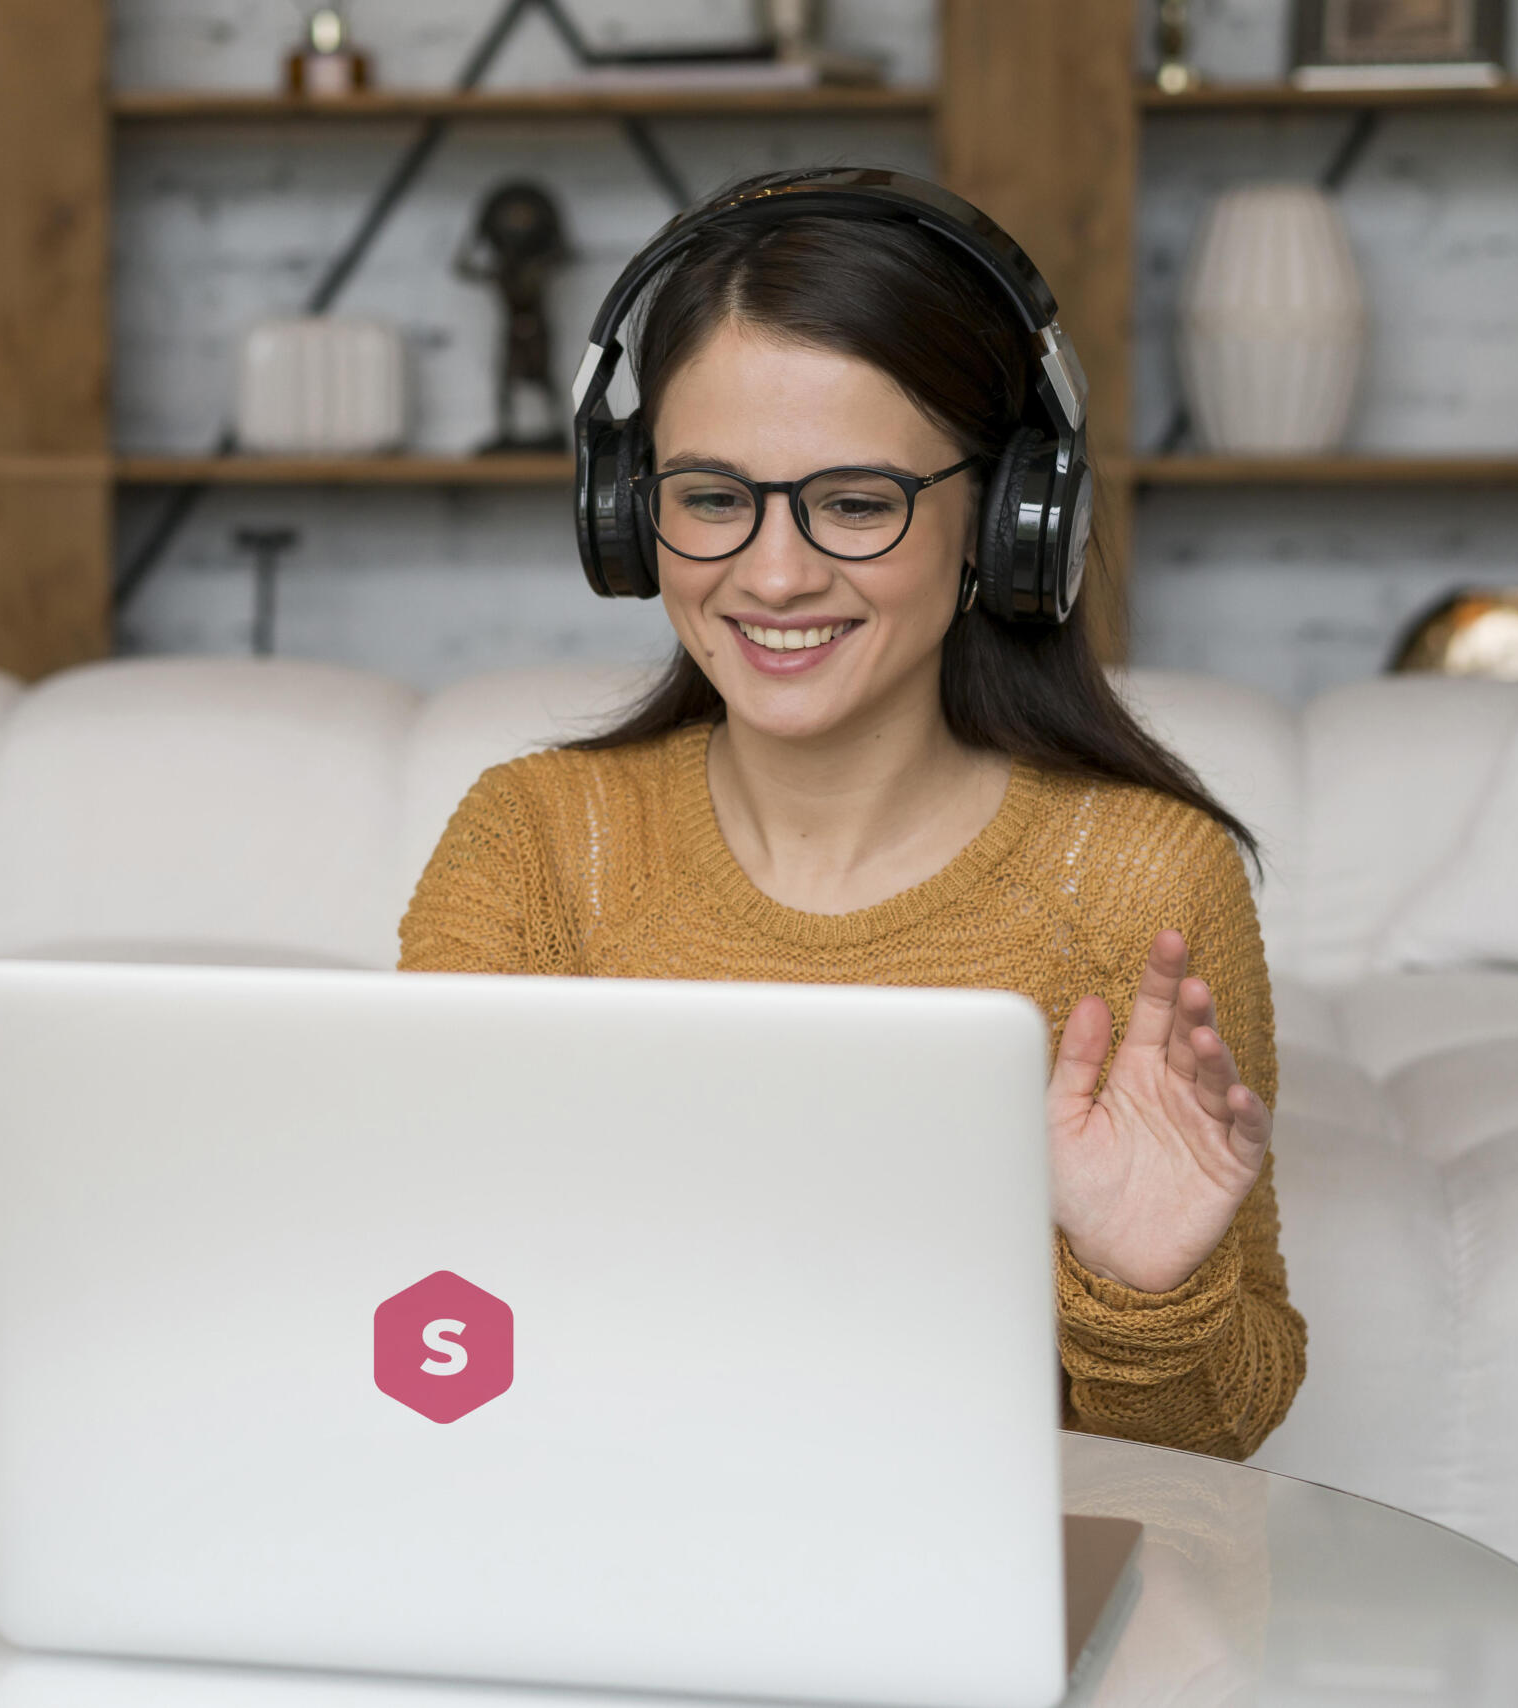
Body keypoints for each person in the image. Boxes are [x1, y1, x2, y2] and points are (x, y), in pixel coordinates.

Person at [399, 169, 1303, 1460]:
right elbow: (418, 1331)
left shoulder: (1142, 880)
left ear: (1006, 520)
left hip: (972, 1622)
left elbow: (1214, 1452)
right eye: (711, 497)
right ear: (625, 513)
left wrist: (1144, 1290)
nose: (773, 574)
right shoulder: (537, 846)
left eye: (857, 503)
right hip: (591, 1565)